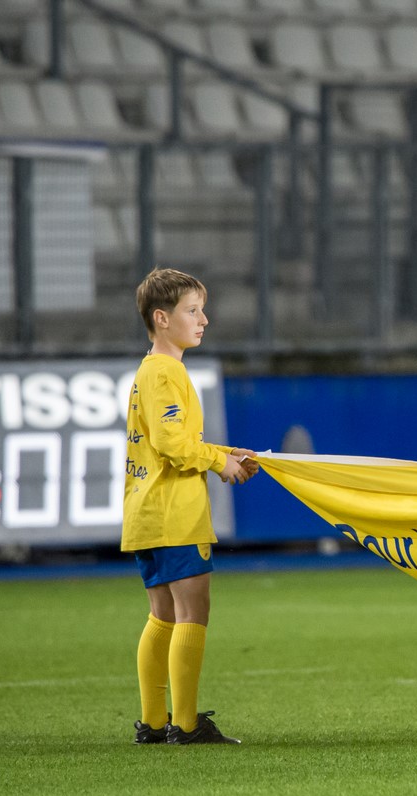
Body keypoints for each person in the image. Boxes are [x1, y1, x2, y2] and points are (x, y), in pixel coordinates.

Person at [124, 268, 258, 746]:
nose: (205, 319)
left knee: (161, 614)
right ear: (162, 318)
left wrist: (227, 454)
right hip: (175, 513)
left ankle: (154, 722)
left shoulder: (149, 370)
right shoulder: (166, 370)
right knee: (191, 612)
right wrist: (219, 464)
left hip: (147, 510)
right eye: (193, 311)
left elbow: (177, 440)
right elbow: (173, 445)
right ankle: (185, 725)